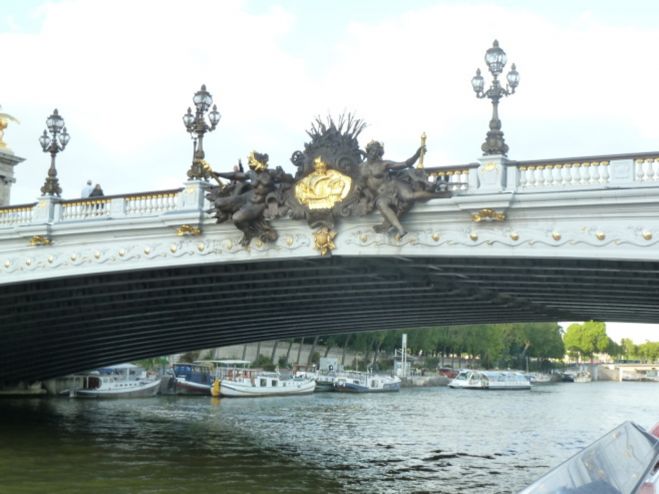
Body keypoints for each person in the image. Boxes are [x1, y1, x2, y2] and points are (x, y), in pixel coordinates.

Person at [360, 140, 451, 238]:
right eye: (372, 150)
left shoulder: (384, 164)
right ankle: (401, 230)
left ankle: (439, 195)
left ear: (379, 153)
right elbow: (358, 182)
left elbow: (405, 164)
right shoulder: (361, 167)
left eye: (376, 151)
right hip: (381, 195)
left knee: (408, 197)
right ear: (368, 151)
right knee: (381, 204)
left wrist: (417, 155)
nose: (374, 153)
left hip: (393, 186)